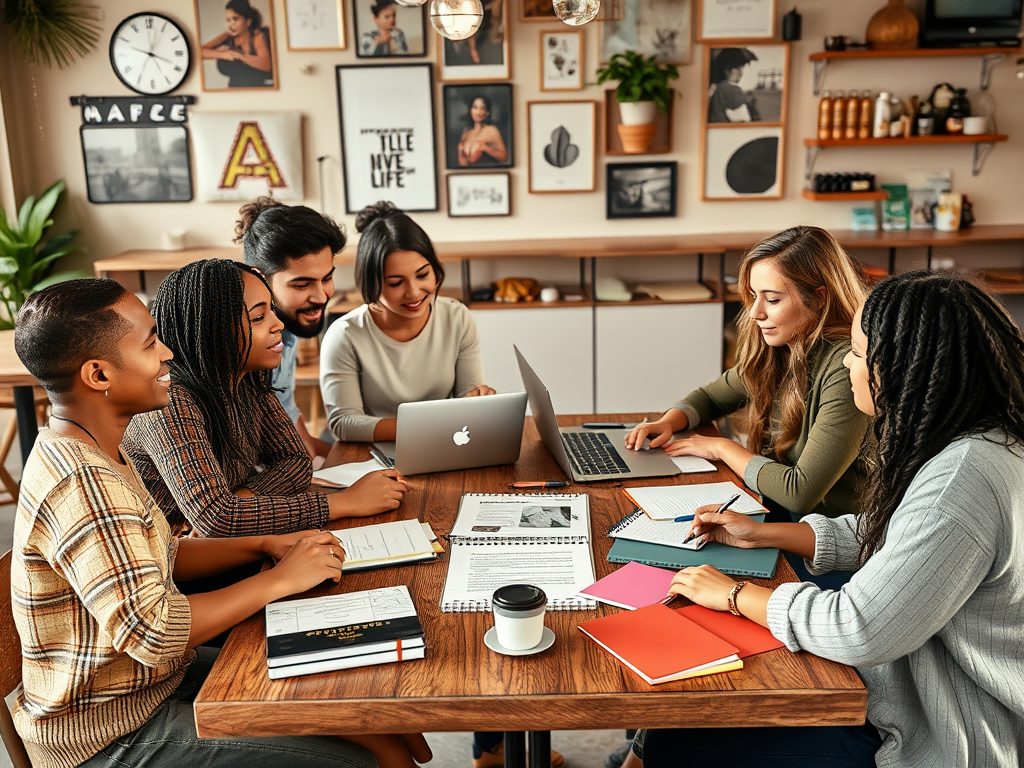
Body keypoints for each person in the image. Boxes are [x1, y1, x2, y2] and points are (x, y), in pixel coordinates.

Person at [10, 278, 431, 768]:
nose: (167, 353)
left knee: (375, 714)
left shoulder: (101, 449)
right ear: (99, 375)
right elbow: (155, 630)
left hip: (157, 679)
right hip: (109, 729)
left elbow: (165, 551)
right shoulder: (84, 485)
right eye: (150, 343)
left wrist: (266, 544)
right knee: (357, 758)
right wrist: (280, 581)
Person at [635, 271, 1024, 767]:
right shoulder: (979, 441)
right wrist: (764, 533)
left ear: (906, 367)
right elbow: (899, 536)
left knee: (682, 736)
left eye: (859, 352)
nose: (848, 361)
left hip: (938, 729)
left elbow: (860, 628)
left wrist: (735, 595)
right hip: (910, 686)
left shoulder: (961, 481)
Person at [123, 259, 407, 538]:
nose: (277, 323)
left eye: (271, 309)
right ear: (211, 330)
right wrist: (343, 503)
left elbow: (296, 460)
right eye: (258, 317)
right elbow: (216, 520)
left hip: (229, 544)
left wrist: (242, 500)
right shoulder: (170, 399)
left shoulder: (246, 376)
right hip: (172, 562)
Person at [626, 226, 871, 526]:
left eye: (772, 299)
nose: (755, 312)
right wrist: (667, 422)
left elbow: (800, 492)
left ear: (819, 299)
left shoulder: (846, 368)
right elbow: (710, 397)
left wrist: (721, 447)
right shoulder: (780, 347)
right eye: (754, 296)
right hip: (775, 512)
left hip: (824, 539)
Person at [320, 201, 495, 443]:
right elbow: (344, 423)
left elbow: (468, 399)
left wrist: (477, 401)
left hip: (444, 443)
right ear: (372, 283)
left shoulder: (457, 318)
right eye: (395, 282)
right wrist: (430, 425)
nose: (413, 292)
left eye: (422, 275)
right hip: (374, 454)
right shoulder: (345, 335)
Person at [235, 196, 345, 460]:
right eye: (301, 285)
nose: (321, 296)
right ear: (258, 277)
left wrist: (352, 464)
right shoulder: (241, 347)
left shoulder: (288, 331)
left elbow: (292, 423)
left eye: (327, 278)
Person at [201, 0, 273, 88]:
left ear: (248, 21)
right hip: (234, 92)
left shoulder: (257, 37)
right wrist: (223, 54)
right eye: (228, 20)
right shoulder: (227, 36)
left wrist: (239, 54)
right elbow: (200, 52)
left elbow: (267, 65)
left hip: (261, 91)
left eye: (235, 19)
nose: (231, 24)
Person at [707, 47, 759, 123]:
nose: (741, 71)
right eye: (737, 67)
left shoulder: (720, 88)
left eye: (741, 67)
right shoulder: (731, 89)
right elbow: (744, 119)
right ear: (727, 71)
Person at [457, 95, 509, 167]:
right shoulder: (466, 133)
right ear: (470, 110)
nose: (478, 112)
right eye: (475, 108)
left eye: (482, 108)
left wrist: (488, 149)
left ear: (487, 112)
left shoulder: (492, 130)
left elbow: (505, 158)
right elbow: (463, 164)